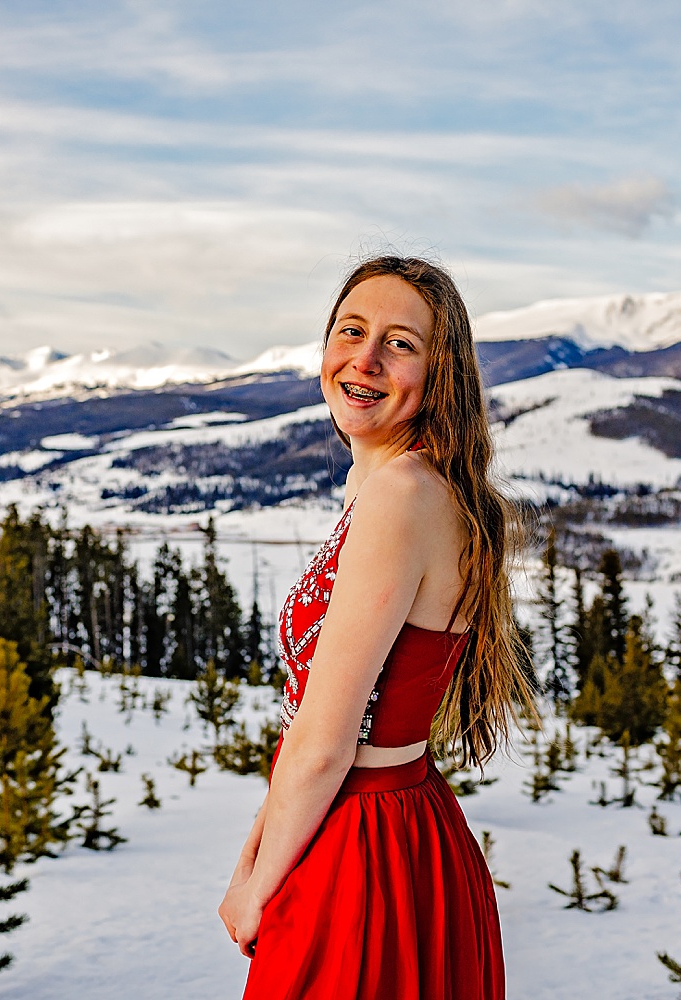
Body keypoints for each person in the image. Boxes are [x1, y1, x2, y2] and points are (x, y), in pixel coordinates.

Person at [217, 256, 531, 1000]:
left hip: (359, 851)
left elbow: (327, 745)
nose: (364, 359)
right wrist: (253, 854)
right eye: (351, 332)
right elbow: (312, 733)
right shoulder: (411, 482)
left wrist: (257, 887)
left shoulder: (400, 493)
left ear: (441, 372)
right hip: (402, 832)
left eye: (399, 343)